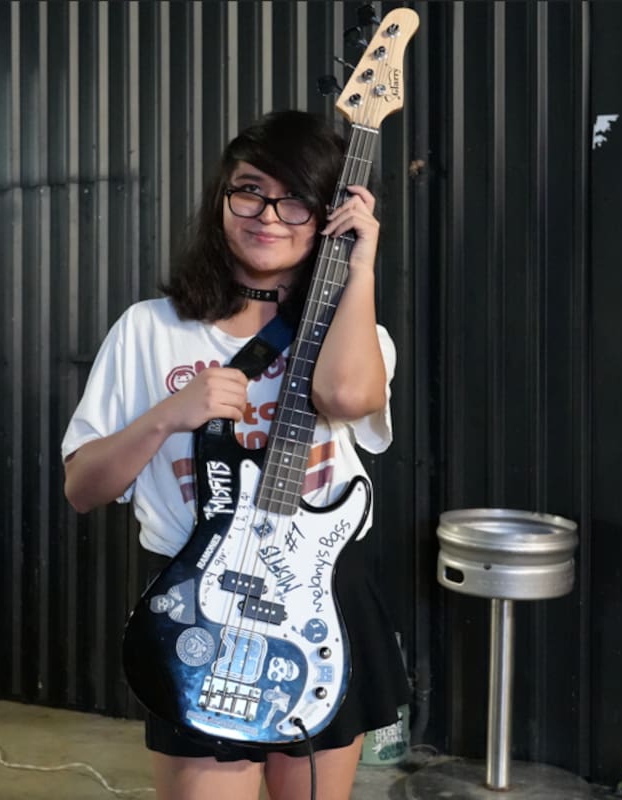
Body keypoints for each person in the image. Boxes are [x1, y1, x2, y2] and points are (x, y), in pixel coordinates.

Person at [61, 109, 410, 800]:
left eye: (296, 200)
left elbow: (345, 395)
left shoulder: (356, 335)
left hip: (319, 601)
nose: (268, 215)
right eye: (249, 191)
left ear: (328, 213)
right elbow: (82, 488)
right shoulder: (148, 331)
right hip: (200, 605)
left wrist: (359, 261)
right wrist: (167, 416)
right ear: (222, 197)